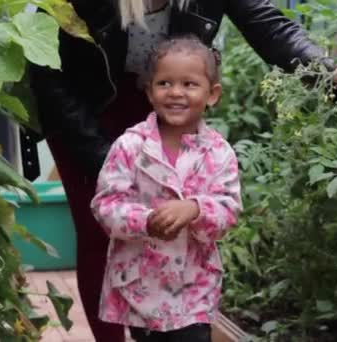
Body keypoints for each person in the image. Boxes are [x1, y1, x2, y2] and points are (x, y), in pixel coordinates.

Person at [29, 1, 337, 340]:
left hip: (164, 103)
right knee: (101, 235)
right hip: (83, 109)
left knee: (176, 225)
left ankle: (176, 322)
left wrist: (332, 73)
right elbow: (47, 76)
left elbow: (268, 25)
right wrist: (105, 158)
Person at [90, 35, 240, 342]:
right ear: (149, 92)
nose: (175, 93)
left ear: (212, 94)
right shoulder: (130, 146)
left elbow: (229, 208)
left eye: (189, 84)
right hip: (142, 288)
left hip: (195, 288)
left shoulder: (218, 152)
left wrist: (195, 208)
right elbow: (106, 205)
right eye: (164, 83)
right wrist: (145, 220)